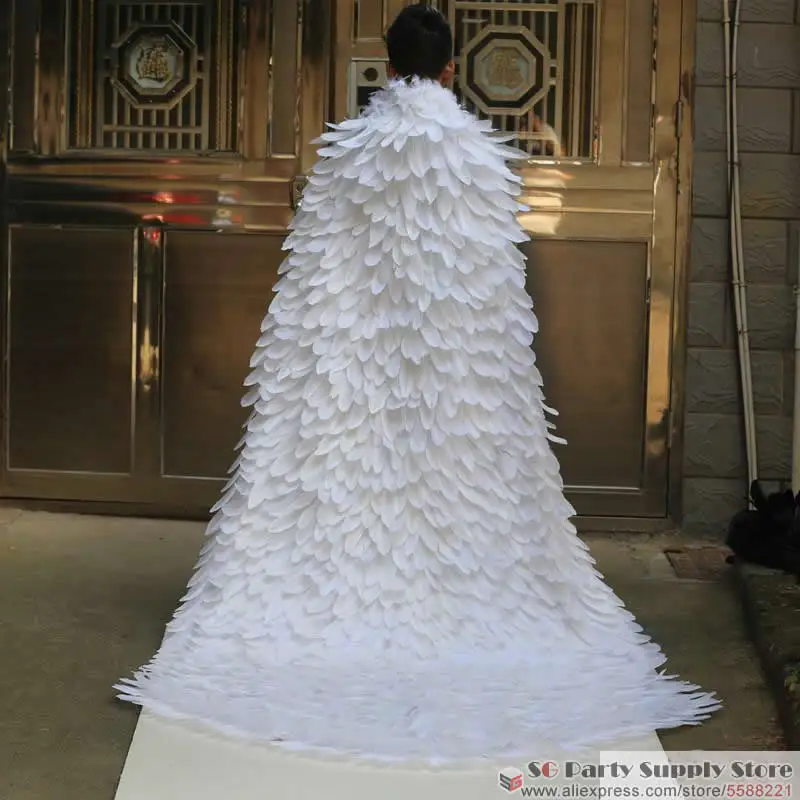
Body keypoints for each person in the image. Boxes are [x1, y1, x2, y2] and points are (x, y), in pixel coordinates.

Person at [117, 3, 718, 760]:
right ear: (452, 68)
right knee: (454, 481)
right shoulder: (477, 157)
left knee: (348, 478)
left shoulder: (347, 152)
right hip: (457, 372)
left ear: (388, 61)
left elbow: (315, 271)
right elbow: (493, 287)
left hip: (354, 362)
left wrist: (314, 365)